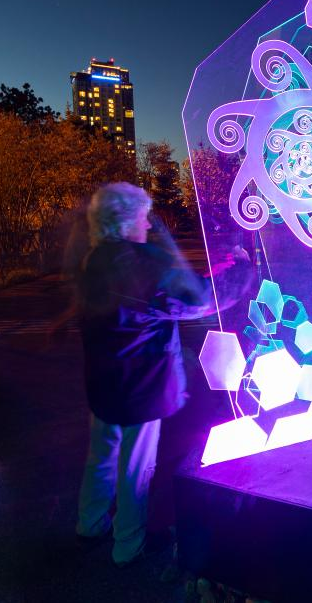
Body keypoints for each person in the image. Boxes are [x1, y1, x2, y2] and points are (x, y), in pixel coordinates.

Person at [71, 182, 215, 567]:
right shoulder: (139, 263)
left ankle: (90, 524)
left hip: (104, 378)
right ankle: (128, 545)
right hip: (141, 381)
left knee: (102, 454)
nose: (148, 225)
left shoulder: (93, 259)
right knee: (137, 465)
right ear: (124, 220)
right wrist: (237, 272)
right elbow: (193, 301)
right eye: (142, 217)